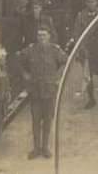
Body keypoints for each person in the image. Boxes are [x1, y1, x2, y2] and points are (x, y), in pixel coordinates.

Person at [16, 26, 68, 159]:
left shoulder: (55, 50)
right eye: (39, 35)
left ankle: (45, 147)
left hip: (49, 91)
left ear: (49, 36)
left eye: (44, 35)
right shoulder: (30, 50)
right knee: (35, 120)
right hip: (35, 92)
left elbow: (66, 62)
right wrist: (24, 74)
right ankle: (36, 148)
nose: (41, 38)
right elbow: (18, 60)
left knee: (47, 120)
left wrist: (58, 76)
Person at [72, 0, 98, 110]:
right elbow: (77, 34)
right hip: (86, 49)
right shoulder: (81, 16)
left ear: (97, 2)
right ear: (86, 3)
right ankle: (91, 99)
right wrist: (82, 48)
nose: (91, 4)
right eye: (89, 2)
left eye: (93, 1)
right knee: (88, 75)